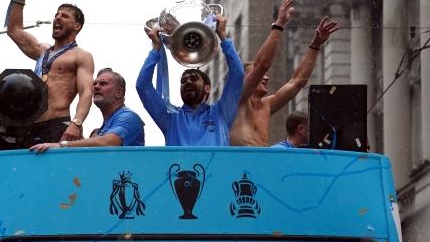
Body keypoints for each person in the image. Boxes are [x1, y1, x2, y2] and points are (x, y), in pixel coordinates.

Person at [6, 0, 95, 146]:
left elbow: (86, 92)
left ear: (77, 26)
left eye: (65, 16)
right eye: (56, 15)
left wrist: (76, 123)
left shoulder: (81, 56)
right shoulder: (42, 51)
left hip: (57, 125)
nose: (58, 18)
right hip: (29, 127)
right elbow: (14, 30)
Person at [229, 15, 339, 146]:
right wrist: (278, 24)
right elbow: (262, 65)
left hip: (261, 159)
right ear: (245, 79)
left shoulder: (267, 105)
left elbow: (297, 82)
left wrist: (315, 45)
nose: (266, 78)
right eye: (260, 75)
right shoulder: (237, 101)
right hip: (238, 158)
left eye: (265, 75)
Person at [136, 15, 244, 146]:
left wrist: (223, 36)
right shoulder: (170, 118)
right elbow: (142, 86)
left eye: (193, 78)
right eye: (183, 80)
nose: (187, 82)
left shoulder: (221, 112)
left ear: (207, 88)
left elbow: (238, 74)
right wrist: (155, 49)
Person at [30, 68, 144, 152]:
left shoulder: (128, 117)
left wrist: (62, 145)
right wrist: (79, 140)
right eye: (95, 84)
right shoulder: (103, 128)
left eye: (103, 84)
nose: (96, 87)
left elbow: (109, 142)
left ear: (119, 92)